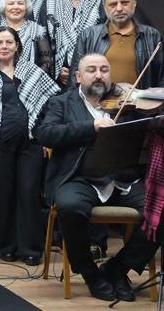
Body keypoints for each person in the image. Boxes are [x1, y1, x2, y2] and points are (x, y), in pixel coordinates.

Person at [34, 53, 164, 302]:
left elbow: (148, 126)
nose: (99, 75)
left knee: (161, 208)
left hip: (121, 180)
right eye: (91, 70)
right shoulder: (60, 103)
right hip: (79, 179)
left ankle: (118, 268)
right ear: (78, 76)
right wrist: (90, 128)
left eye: (104, 69)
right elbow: (44, 133)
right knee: (71, 208)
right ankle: (90, 272)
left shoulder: (127, 102)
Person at [0, 27, 59, 266]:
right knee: (3, 196)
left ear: (17, 45)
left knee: (28, 193)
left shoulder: (32, 71)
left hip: (31, 143)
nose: (4, 46)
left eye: (8, 42)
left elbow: (52, 102)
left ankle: (30, 248)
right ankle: (6, 246)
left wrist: (45, 137)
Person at [70, 0, 164, 89]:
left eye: (124, 3)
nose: (119, 9)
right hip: (97, 105)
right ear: (105, 7)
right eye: (113, 4)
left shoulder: (152, 35)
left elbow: (162, 79)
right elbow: (74, 78)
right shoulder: (88, 35)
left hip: (141, 104)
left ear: (134, 3)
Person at [39, 0, 105, 86]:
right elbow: (42, 39)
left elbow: (106, 42)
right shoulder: (50, 3)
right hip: (57, 79)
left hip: (92, 77)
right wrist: (54, 71)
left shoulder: (102, 2)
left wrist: (83, 71)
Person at [0, 0, 53, 75]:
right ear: (4, 7)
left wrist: (31, 78)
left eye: (20, 3)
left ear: (26, 7)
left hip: (32, 84)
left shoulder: (37, 31)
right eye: (11, 3)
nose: (16, 7)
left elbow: (47, 62)